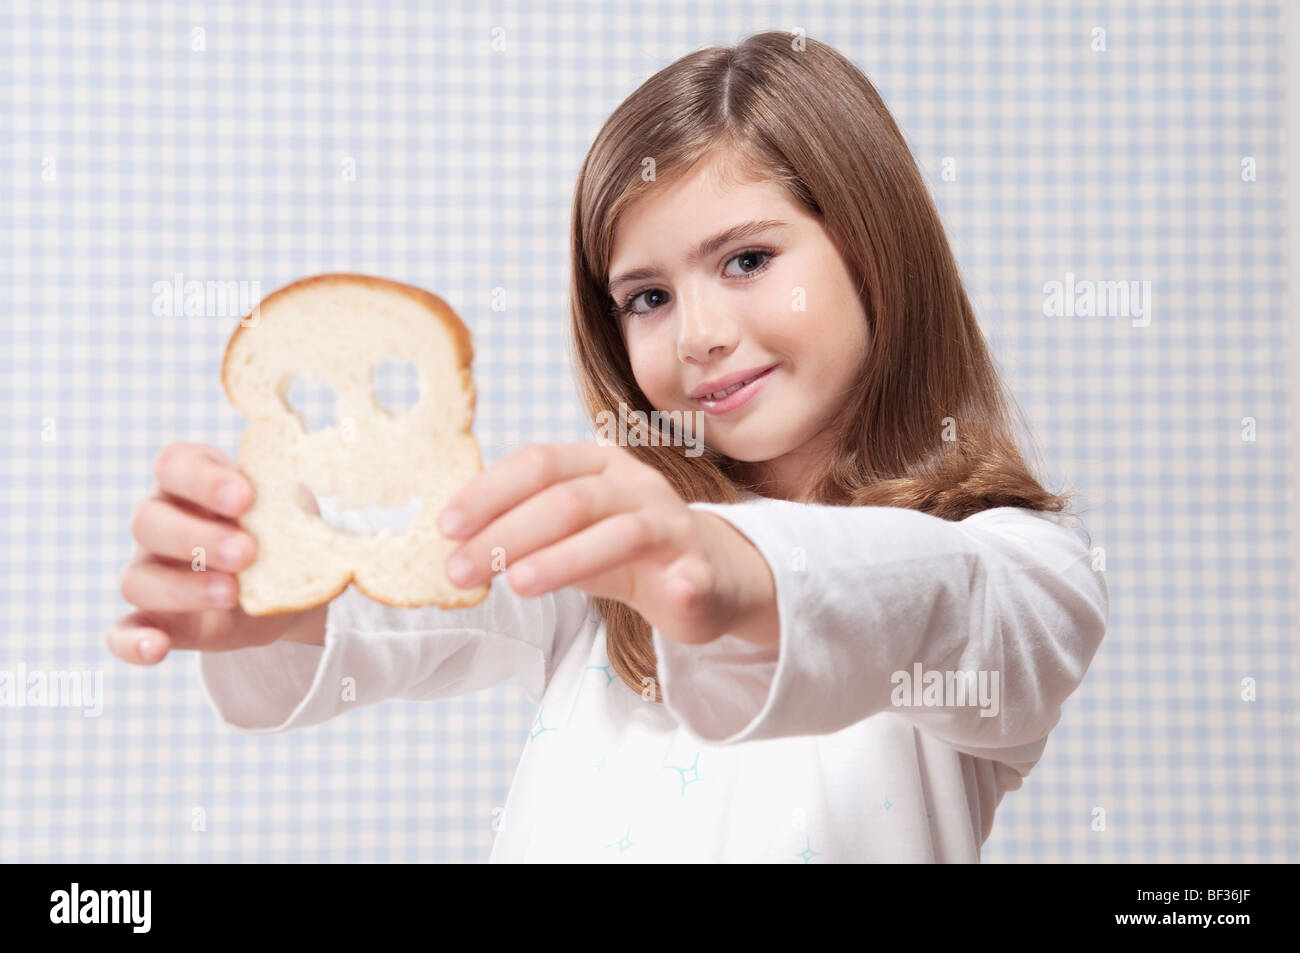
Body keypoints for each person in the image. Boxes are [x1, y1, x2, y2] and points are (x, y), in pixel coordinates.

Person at [108, 30, 1108, 862]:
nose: (697, 333)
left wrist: (728, 563)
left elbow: (940, 602)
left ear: (874, 246)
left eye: (747, 259)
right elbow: (398, 600)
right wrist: (263, 595)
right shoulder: (602, 571)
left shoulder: (1024, 568)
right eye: (647, 296)